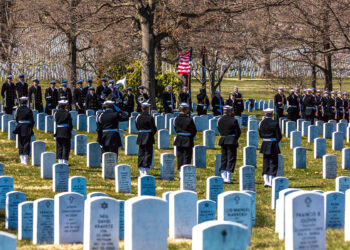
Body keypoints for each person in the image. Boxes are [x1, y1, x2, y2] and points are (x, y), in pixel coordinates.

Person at [217, 105, 241, 183]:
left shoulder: (219, 120)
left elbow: (219, 130)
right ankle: (228, 177)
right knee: (231, 158)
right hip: (231, 140)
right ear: (230, 111)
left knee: (224, 158)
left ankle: (223, 176)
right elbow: (238, 132)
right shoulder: (233, 120)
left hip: (223, 140)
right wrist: (234, 138)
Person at [258, 108, 282, 187]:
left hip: (265, 143)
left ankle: (266, 181)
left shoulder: (261, 123)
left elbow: (261, 135)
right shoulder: (274, 123)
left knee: (266, 161)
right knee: (273, 162)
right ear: (271, 114)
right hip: (273, 143)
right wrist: (275, 141)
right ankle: (271, 181)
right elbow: (279, 136)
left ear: (265, 114)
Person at [135, 102, 157, 176]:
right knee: (148, 153)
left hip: (141, 135)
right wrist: (150, 134)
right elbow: (154, 128)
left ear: (142, 108)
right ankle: (146, 168)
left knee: (141, 152)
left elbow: (137, 126)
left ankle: (141, 168)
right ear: (148, 109)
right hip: (148, 136)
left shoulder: (138, 116)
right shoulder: (150, 117)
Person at [174, 103, 197, 171]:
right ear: (187, 110)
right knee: (187, 156)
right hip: (187, 139)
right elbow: (194, 131)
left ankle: (180, 170)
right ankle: (185, 171)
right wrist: (190, 136)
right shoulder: (189, 119)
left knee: (180, 156)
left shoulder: (176, 119)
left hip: (179, 139)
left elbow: (175, 128)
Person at [13, 97, 34, 165]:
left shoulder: (18, 109)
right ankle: (25, 159)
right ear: (26, 102)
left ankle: (21, 158)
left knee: (20, 143)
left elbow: (16, 119)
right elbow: (32, 120)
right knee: (26, 143)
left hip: (20, 127)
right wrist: (31, 127)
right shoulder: (29, 110)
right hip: (27, 127)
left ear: (21, 102)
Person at [54, 100, 73, 164]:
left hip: (59, 130)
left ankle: (60, 160)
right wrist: (70, 131)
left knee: (59, 146)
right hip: (66, 131)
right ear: (65, 106)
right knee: (66, 146)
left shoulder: (56, 113)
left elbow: (55, 121)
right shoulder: (67, 113)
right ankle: (64, 160)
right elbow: (70, 124)